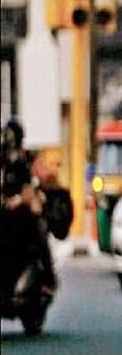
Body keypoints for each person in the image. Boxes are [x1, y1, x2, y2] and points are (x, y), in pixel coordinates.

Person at [0, 119, 58, 299]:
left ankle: (48, 278)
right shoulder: (3, 160)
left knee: (39, 230)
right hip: (4, 213)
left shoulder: (28, 159)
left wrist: (29, 198)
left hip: (24, 214)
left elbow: (43, 181)